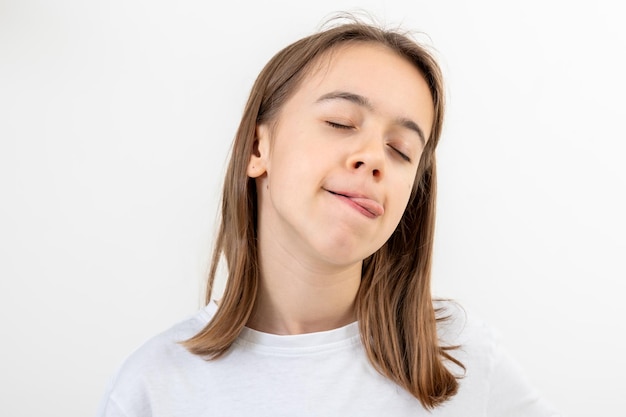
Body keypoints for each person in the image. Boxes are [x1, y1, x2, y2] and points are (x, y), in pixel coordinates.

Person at [97, 16, 560, 417]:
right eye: (340, 123)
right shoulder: (154, 388)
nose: (374, 158)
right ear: (259, 148)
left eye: (401, 151)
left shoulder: (465, 365)